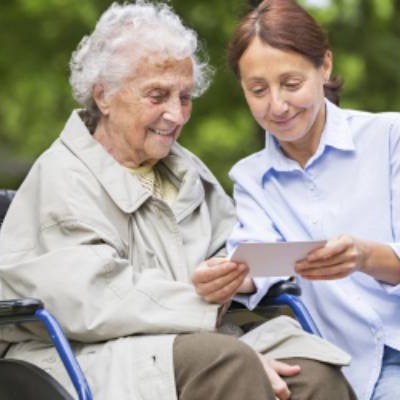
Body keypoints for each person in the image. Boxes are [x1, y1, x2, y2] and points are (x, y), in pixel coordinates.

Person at [0, 1, 356, 399]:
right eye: (157, 95)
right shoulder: (62, 177)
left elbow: (232, 245)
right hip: (81, 352)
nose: (176, 115)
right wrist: (203, 301)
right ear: (103, 95)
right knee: (227, 364)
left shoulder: (185, 170)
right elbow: (91, 297)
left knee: (313, 375)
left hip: (198, 339)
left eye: (184, 97)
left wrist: (238, 273)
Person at [226, 0, 400, 399]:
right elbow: (254, 259)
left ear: (324, 66)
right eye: (257, 90)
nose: (277, 106)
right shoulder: (252, 179)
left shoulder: (389, 138)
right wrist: (229, 275)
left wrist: (364, 256)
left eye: (291, 84)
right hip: (344, 367)